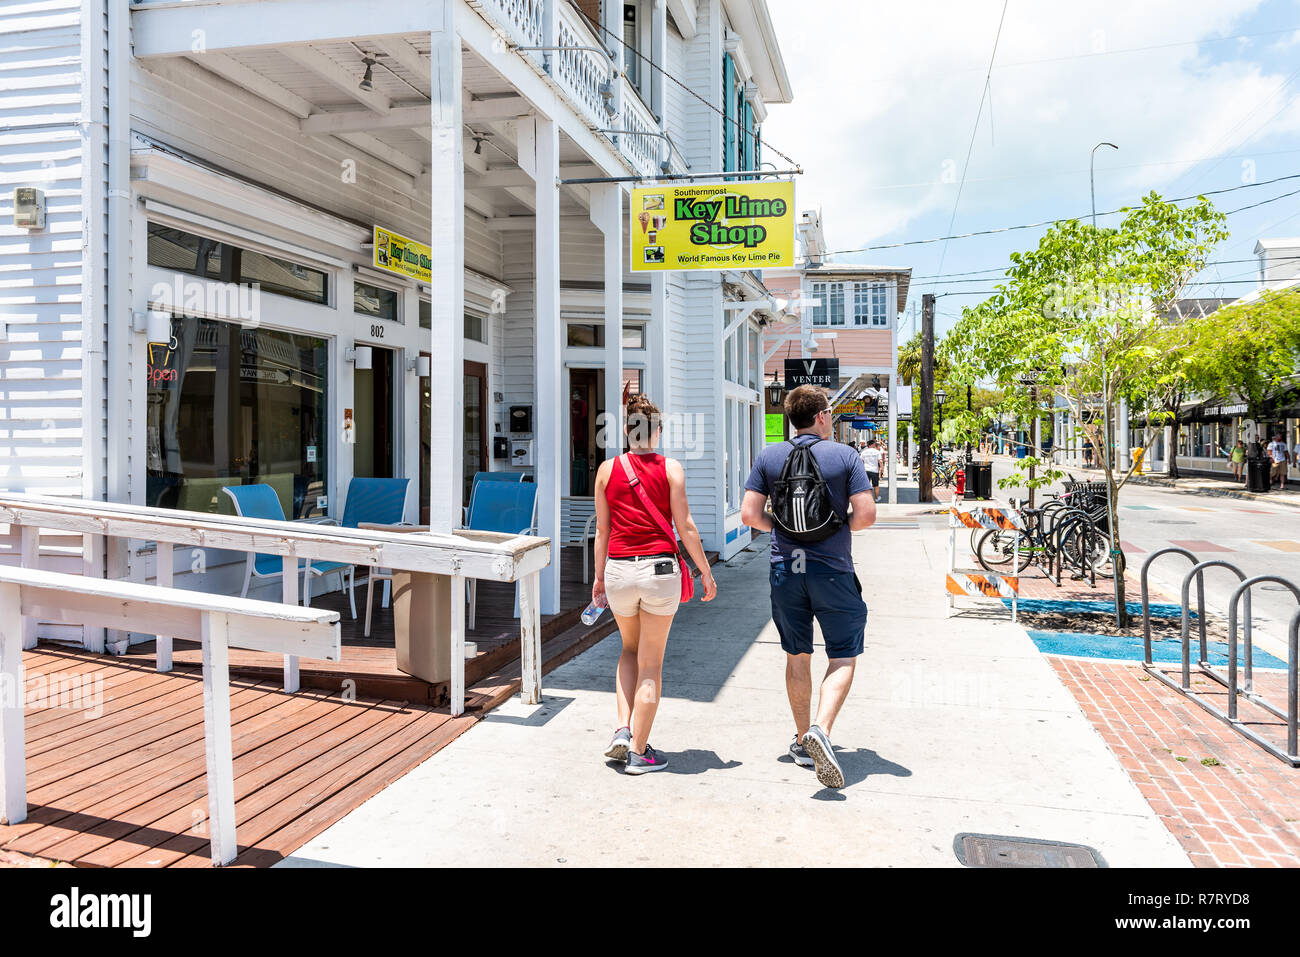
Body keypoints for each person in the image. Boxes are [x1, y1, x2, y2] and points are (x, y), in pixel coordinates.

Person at [740, 385, 876, 789]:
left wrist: (781, 527)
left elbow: (750, 514)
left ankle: (802, 741)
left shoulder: (769, 455)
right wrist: (834, 530)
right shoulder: (845, 456)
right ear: (820, 416)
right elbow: (866, 515)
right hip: (832, 568)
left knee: (797, 657)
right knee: (843, 656)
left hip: (786, 569)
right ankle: (822, 729)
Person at [592, 394, 717, 775]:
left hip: (618, 571)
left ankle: (621, 730)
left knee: (628, 650)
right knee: (651, 663)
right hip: (660, 572)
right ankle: (640, 752)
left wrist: (599, 579)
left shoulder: (606, 470)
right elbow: (687, 527)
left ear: (627, 431)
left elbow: (602, 530)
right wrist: (705, 572)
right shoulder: (671, 469)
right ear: (657, 431)